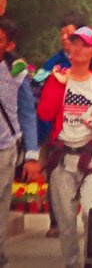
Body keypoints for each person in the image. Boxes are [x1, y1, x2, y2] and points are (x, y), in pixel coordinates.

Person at [37, 26, 92, 268]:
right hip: (63, 158)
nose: (78, 49)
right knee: (66, 220)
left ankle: (91, 261)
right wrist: (57, 85)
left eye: (85, 45)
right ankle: (72, 263)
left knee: (91, 214)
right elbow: (44, 113)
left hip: (91, 159)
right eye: (75, 43)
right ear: (68, 47)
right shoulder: (57, 78)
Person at [1, 16, 40, 268]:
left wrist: (32, 155)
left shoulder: (17, 71)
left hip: (4, 147)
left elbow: (27, 113)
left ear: (9, 45)